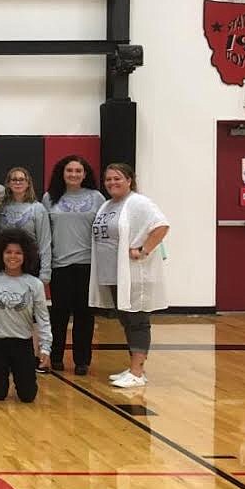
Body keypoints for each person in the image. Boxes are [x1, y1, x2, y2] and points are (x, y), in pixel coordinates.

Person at [89, 163, 170, 389]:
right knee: (126, 319)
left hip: (134, 275)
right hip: (112, 274)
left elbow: (161, 226)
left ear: (129, 180)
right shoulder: (107, 205)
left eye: (117, 178)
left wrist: (143, 250)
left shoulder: (138, 202)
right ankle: (136, 368)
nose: (112, 183)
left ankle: (137, 371)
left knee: (137, 321)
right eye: (108, 179)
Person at [42, 155, 106, 374]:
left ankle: (82, 361)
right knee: (58, 314)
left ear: (85, 174)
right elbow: (45, 234)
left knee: (84, 315)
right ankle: (55, 357)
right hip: (60, 264)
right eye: (69, 171)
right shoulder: (50, 198)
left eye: (78, 171)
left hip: (88, 265)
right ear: (62, 173)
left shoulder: (96, 197)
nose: (74, 175)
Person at [0, 228, 52, 403]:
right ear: (0, 253)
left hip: (22, 344)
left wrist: (46, 347)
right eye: (8, 252)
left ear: (26, 256)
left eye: (18, 252)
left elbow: (43, 318)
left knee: (28, 395)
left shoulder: (34, 284)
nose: (13, 256)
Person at [0, 166, 52, 282]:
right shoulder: (0, 207)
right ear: (8, 184)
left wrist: (45, 271)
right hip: (5, 264)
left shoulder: (38, 208)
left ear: (28, 184)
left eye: (22, 180)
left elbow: (45, 243)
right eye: (14, 179)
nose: (18, 182)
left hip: (30, 265)